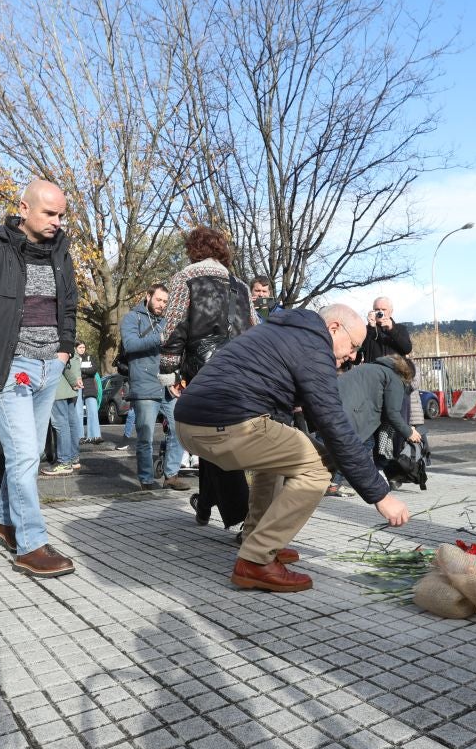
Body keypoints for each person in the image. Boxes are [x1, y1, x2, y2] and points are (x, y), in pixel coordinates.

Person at [174, 303, 411, 593]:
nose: (352, 357)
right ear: (334, 328)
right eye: (353, 346)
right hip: (227, 421)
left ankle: (256, 539)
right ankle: (256, 560)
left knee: (278, 456)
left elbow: (283, 410)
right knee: (319, 465)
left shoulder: (283, 331)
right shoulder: (314, 345)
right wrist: (379, 494)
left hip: (190, 422)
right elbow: (334, 425)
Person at [0, 179, 78, 579]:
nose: (57, 222)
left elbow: (69, 305)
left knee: (30, 454)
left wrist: (64, 349)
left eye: (61, 214)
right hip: (11, 367)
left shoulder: (61, 252)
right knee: (24, 456)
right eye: (49, 213)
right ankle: (31, 545)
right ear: (24, 208)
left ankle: (5, 522)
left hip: (49, 367)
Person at [160, 227, 259, 511]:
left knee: (211, 434)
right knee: (219, 431)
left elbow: (173, 327)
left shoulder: (186, 277)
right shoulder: (239, 284)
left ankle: (239, 509)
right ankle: (205, 501)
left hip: (202, 368)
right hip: (241, 367)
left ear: (194, 249)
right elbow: (253, 327)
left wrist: (170, 372)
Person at [120, 284, 185, 490]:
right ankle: (147, 480)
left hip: (167, 384)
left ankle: (171, 475)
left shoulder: (166, 321)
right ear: (148, 297)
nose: (162, 305)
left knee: (179, 430)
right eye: (159, 300)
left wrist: (178, 379)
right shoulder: (133, 318)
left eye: (165, 302)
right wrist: (160, 337)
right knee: (146, 437)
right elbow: (130, 345)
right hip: (144, 384)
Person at [328, 354, 421, 496]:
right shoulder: (395, 378)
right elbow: (393, 413)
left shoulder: (376, 368)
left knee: (350, 444)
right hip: (351, 411)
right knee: (358, 446)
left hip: (336, 404)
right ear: (408, 375)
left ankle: (331, 480)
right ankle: (334, 482)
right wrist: (409, 432)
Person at [43, 357, 82, 475]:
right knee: (71, 423)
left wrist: (73, 380)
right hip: (69, 388)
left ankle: (64, 462)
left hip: (58, 387)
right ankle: (73, 458)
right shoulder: (69, 340)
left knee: (61, 425)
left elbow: (59, 361)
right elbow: (74, 360)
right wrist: (75, 380)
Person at [358, 296, 412, 364]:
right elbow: (359, 350)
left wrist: (392, 330)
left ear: (391, 312)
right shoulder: (366, 330)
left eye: (383, 309)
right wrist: (370, 328)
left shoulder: (400, 329)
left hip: (394, 372)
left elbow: (407, 349)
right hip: (373, 372)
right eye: (377, 309)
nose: (380, 312)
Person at [75, 341, 102, 444]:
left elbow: (94, 370)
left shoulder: (90, 357)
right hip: (77, 386)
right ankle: (79, 436)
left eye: (83, 347)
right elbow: (73, 371)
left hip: (90, 387)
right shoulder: (73, 358)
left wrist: (82, 371)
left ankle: (95, 436)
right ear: (76, 348)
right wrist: (86, 370)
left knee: (93, 411)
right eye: (80, 347)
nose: (82, 349)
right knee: (78, 412)